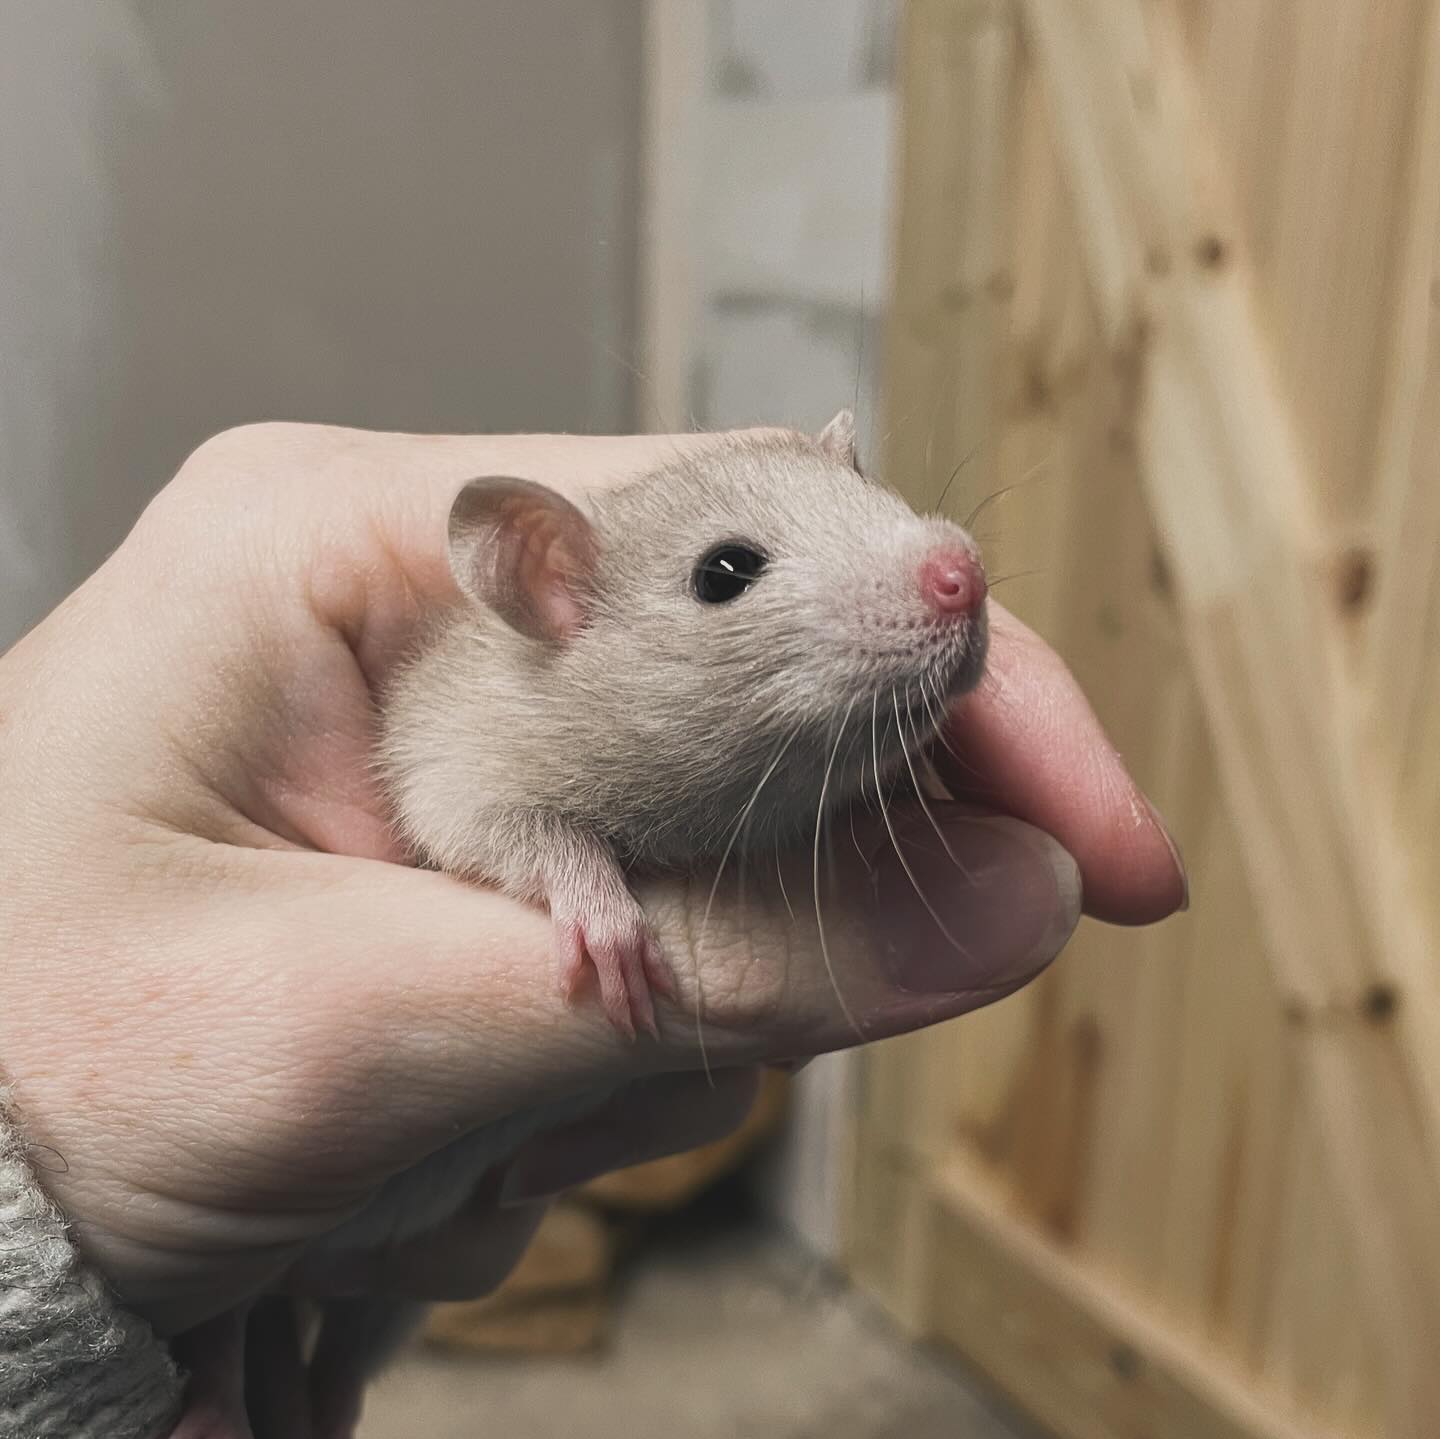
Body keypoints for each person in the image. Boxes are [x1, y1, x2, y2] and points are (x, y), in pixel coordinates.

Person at [0, 423, 1187, 1438]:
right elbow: (447, 786)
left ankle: (305, 1375)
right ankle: (225, 1365)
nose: (952, 570)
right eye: (731, 572)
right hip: (288, 1159)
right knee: (263, 1305)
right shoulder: (502, 704)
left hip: (414, 1179)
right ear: (551, 585)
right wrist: (562, 866)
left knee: (371, 1312)